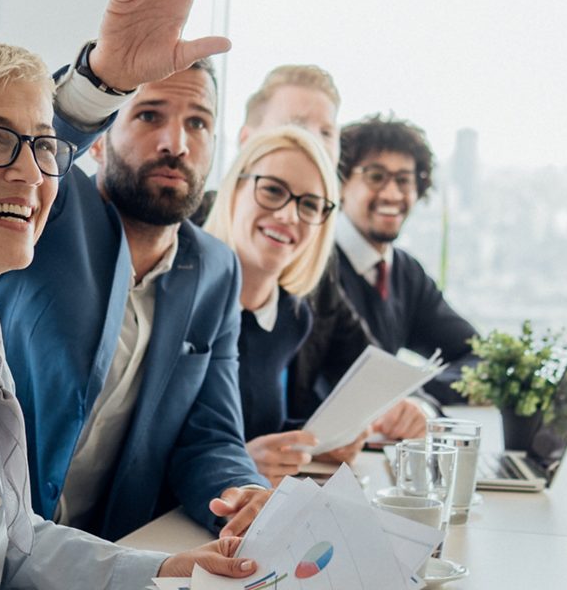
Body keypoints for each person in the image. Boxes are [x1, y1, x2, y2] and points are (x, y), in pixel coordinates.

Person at [0, 0, 273, 544]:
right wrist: (106, 80)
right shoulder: (52, 211)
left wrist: (241, 492)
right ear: (98, 144)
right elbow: (25, 157)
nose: (176, 142)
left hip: (115, 556)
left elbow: (211, 434)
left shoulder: (215, 270)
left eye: (199, 124)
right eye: (148, 115)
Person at [202, 126, 376, 484]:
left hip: (250, 513)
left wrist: (313, 444)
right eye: (272, 191)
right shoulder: (188, 301)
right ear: (234, 190)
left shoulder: (291, 318)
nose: (288, 216)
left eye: (309, 204)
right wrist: (239, 462)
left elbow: (255, 424)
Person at [288, 113, 477, 424]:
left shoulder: (405, 273)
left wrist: (413, 396)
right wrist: (401, 397)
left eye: (404, 180)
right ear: (341, 184)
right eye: (375, 177)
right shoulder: (312, 267)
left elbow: (476, 355)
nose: (392, 194)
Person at [189, 64, 340, 226]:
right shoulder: (183, 225)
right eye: (296, 127)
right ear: (246, 139)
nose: (315, 142)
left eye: (326, 133)